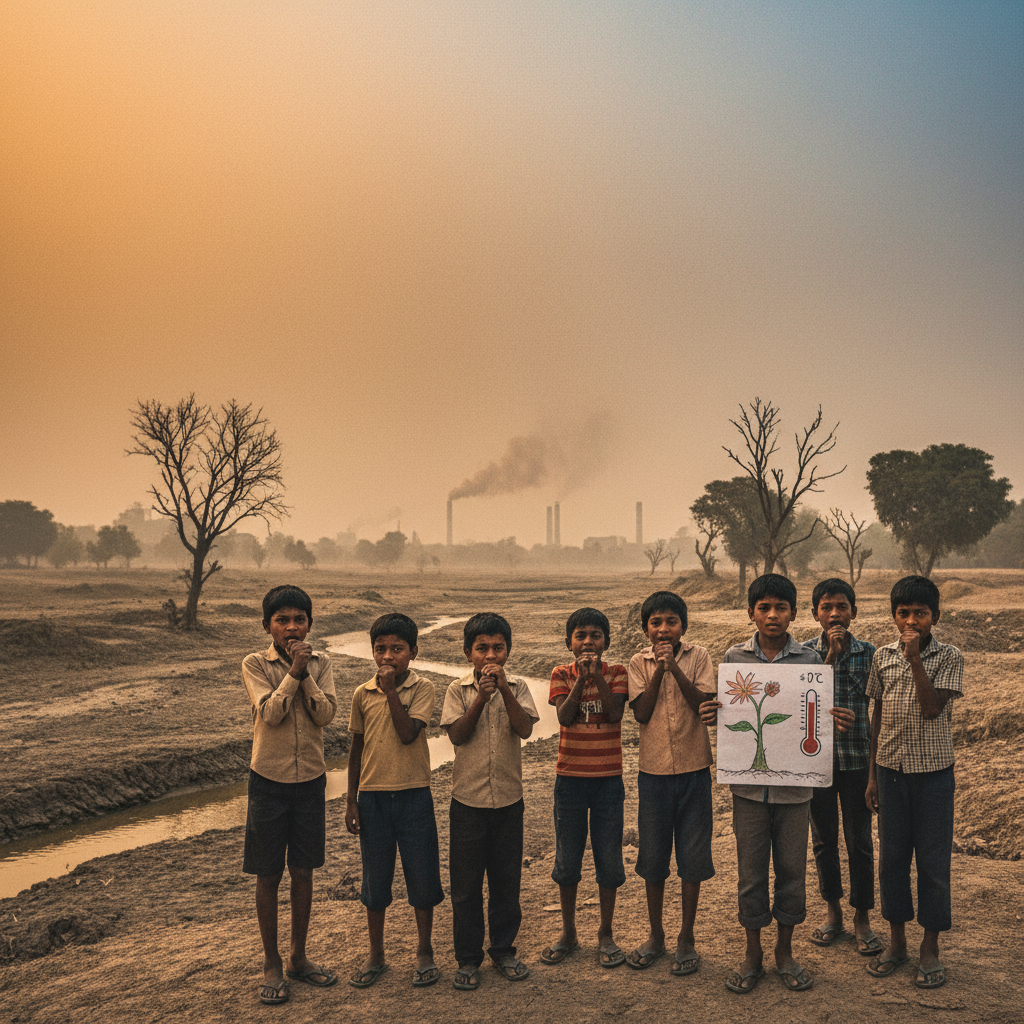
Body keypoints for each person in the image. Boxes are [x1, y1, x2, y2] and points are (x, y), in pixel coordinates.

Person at [700, 574, 853, 995]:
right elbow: (732, 716)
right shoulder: (734, 657)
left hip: (795, 792)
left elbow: (811, 715)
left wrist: (832, 720)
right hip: (747, 791)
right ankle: (752, 955)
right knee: (750, 874)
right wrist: (715, 713)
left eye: (780, 608)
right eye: (764, 607)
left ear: (793, 613)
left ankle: (784, 952)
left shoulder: (808, 661)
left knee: (790, 871)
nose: (772, 615)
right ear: (751, 612)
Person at [864, 575, 964, 990]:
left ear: (934, 617)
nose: (911, 621)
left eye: (920, 614)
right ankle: (897, 943)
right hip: (890, 774)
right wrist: (872, 775)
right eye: (903, 613)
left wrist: (916, 660)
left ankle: (930, 948)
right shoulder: (883, 656)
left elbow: (930, 710)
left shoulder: (949, 657)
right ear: (893, 616)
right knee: (891, 863)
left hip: (934, 778)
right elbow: (878, 715)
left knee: (933, 865)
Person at [241, 585, 338, 1006]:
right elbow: (271, 714)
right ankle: (272, 963)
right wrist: (295, 674)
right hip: (268, 780)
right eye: (282, 620)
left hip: (310, 781)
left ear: (310, 624)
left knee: (303, 869)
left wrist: (306, 672)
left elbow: (326, 714)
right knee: (268, 873)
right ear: (268, 626)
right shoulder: (254, 664)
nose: (292, 627)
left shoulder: (323, 663)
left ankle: (299, 956)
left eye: (299, 619)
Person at [345, 612, 444, 989]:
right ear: (372, 651)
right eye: (381, 648)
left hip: (414, 795)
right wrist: (351, 801)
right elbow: (355, 750)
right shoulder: (361, 694)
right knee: (375, 879)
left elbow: (407, 734)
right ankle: (376, 954)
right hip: (372, 799)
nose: (388, 656)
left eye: (397, 649)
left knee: (422, 875)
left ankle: (424, 951)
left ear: (414, 652)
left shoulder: (423, 689)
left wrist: (390, 691)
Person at [441, 612, 540, 990]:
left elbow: (526, 729)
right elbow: (457, 736)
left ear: (508, 652)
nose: (490, 655)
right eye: (482, 648)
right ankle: (468, 959)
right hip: (467, 803)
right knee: (466, 887)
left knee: (505, 881)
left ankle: (503, 950)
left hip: (509, 802)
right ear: (468, 653)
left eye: (498, 648)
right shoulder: (457, 690)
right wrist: (481, 698)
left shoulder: (518, 685)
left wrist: (505, 692)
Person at [626, 591, 715, 977]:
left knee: (693, 858)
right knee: (653, 858)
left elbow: (703, 705)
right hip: (654, 774)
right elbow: (642, 714)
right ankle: (657, 934)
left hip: (695, 770)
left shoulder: (699, 657)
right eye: (655, 623)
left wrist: (674, 668)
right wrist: (659, 669)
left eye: (671, 622)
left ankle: (687, 937)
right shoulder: (637, 662)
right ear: (645, 628)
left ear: (684, 626)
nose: (663, 630)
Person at [541, 608, 629, 969]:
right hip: (570, 780)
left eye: (595, 635)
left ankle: (605, 933)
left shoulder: (618, 673)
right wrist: (581, 679)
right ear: (569, 643)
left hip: (608, 779)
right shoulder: (561, 674)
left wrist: (598, 678)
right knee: (568, 859)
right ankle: (568, 932)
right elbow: (563, 717)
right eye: (580, 636)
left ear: (606, 642)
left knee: (608, 858)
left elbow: (615, 713)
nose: (588, 642)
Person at [803, 578, 880, 956]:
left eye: (842, 607)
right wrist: (830, 657)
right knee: (823, 841)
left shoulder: (871, 654)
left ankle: (861, 917)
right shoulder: (804, 655)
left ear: (854, 610)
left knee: (860, 842)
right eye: (827, 607)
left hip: (856, 761)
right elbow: (803, 700)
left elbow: (878, 707)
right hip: (816, 761)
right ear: (815, 612)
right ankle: (833, 912)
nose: (835, 614)